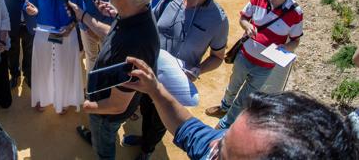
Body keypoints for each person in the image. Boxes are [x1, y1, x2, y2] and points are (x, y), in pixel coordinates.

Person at [123, 56, 359, 160]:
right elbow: (188, 128)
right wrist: (155, 89)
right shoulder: (221, 147)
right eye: (223, 140)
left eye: (223, 155)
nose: (213, 145)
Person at [132, 0, 228, 158]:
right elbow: (149, 23)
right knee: (145, 108)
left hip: (173, 84)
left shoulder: (218, 20)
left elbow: (218, 57)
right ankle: (143, 138)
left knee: (159, 119)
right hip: (149, 70)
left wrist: (197, 70)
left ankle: (147, 149)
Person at [71, 0, 160, 160]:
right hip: (108, 101)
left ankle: (99, 142)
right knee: (100, 135)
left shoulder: (136, 42)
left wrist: (87, 105)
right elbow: (112, 35)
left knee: (104, 148)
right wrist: (83, 15)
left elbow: (116, 105)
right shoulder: (136, 11)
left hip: (106, 115)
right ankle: (95, 136)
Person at [206, 0, 303, 130]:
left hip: (265, 66)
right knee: (233, 85)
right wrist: (247, 26)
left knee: (245, 97)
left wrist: (283, 48)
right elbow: (244, 17)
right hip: (244, 57)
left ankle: (226, 122)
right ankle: (224, 107)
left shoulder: (296, 13)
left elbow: (295, 41)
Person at [121, 0, 180, 153]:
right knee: (145, 103)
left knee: (158, 112)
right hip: (144, 57)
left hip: (160, 61)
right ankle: (144, 138)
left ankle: (148, 148)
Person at [24, 0, 84, 114]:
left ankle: (63, 100)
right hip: (43, 33)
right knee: (43, 67)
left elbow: (79, 12)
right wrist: (30, 9)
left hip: (67, 34)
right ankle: (43, 97)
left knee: (64, 68)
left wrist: (71, 27)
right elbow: (28, 3)